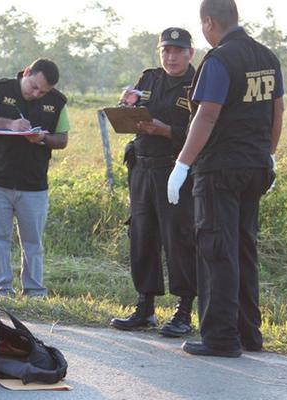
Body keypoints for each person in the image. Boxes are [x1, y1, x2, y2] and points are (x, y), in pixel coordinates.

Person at [167, 0, 284, 357]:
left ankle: (220, 338)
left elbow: (207, 114)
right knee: (243, 249)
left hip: (220, 169)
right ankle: (249, 333)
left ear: (209, 22)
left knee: (217, 250)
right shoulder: (267, 57)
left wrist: (182, 164)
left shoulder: (220, 59)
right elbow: (277, 109)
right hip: (255, 166)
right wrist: (270, 154)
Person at [109, 28, 198, 338]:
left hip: (175, 171)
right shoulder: (149, 78)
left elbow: (204, 132)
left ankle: (184, 311)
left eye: (177, 51)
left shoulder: (196, 84)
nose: (170, 57)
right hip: (142, 168)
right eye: (165, 51)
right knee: (142, 236)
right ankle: (144, 307)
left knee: (179, 239)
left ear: (190, 53)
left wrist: (165, 131)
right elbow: (131, 110)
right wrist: (125, 103)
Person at [0, 59, 70, 298]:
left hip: (33, 183)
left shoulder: (57, 101)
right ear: (26, 72)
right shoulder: (0, 89)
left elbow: (62, 139)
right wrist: (11, 124)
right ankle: (2, 289)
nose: (36, 93)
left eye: (42, 91)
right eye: (34, 87)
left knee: (33, 243)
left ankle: (35, 291)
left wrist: (44, 139)